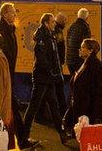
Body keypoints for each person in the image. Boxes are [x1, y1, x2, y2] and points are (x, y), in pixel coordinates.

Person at [0, 2, 36, 149]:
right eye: (12, 12)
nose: (15, 14)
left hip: (8, 75)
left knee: (6, 109)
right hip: (2, 77)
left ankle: (21, 141)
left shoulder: (10, 29)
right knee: (3, 109)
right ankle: (22, 141)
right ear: (4, 14)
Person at [22, 13, 70, 145]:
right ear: (46, 23)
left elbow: (55, 57)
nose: (55, 24)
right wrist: (53, 70)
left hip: (49, 78)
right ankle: (23, 136)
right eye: (53, 22)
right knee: (33, 106)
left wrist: (55, 72)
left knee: (54, 105)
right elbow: (43, 60)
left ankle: (62, 134)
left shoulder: (50, 36)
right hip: (42, 78)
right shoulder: (42, 37)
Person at [63, 38, 102, 135]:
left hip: (88, 110)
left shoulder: (95, 66)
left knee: (88, 138)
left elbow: (100, 91)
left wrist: (98, 115)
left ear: (90, 51)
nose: (79, 49)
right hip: (82, 107)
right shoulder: (85, 63)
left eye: (82, 47)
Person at [65, 8, 91, 76]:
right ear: (86, 17)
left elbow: (67, 42)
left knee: (73, 81)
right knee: (82, 81)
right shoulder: (85, 27)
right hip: (79, 60)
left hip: (69, 60)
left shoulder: (71, 26)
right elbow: (87, 44)